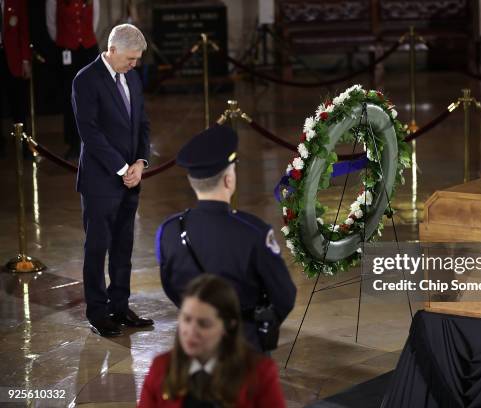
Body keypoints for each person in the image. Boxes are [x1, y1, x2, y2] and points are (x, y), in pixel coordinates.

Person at [155, 125, 296, 351]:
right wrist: (257, 327)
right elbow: (284, 296)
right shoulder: (254, 233)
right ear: (229, 180)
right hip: (245, 346)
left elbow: (171, 287)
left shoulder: (168, 231)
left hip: (195, 348)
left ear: (193, 182)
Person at [72, 23, 152, 337]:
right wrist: (122, 168)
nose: (135, 65)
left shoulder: (132, 77)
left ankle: (120, 306)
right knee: (98, 248)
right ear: (113, 49)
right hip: (100, 181)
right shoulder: (86, 80)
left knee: (123, 247)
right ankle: (98, 312)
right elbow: (89, 132)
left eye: (138, 59)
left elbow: (143, 124)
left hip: (131, 179)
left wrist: (141, 162)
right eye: (131, 58)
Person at [139, 274, 286, 408]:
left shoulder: (260, 373)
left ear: (228, 326)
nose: (191, 331)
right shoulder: (161, 368)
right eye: (186, 319)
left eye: (204, 324)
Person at [46, 0, 100, 160]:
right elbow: (51, 25)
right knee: (71, 97)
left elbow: (95, 21)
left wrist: (84, 39)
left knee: (91, 98)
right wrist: (66, 40)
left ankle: (92, 142)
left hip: (88, 50)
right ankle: (73, 143)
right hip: (67, 51)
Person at [0, 0, 32, 158]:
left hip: (13, 59)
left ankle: (23, 146)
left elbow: (23, 30)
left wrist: (25, 60)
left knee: (18, 105)